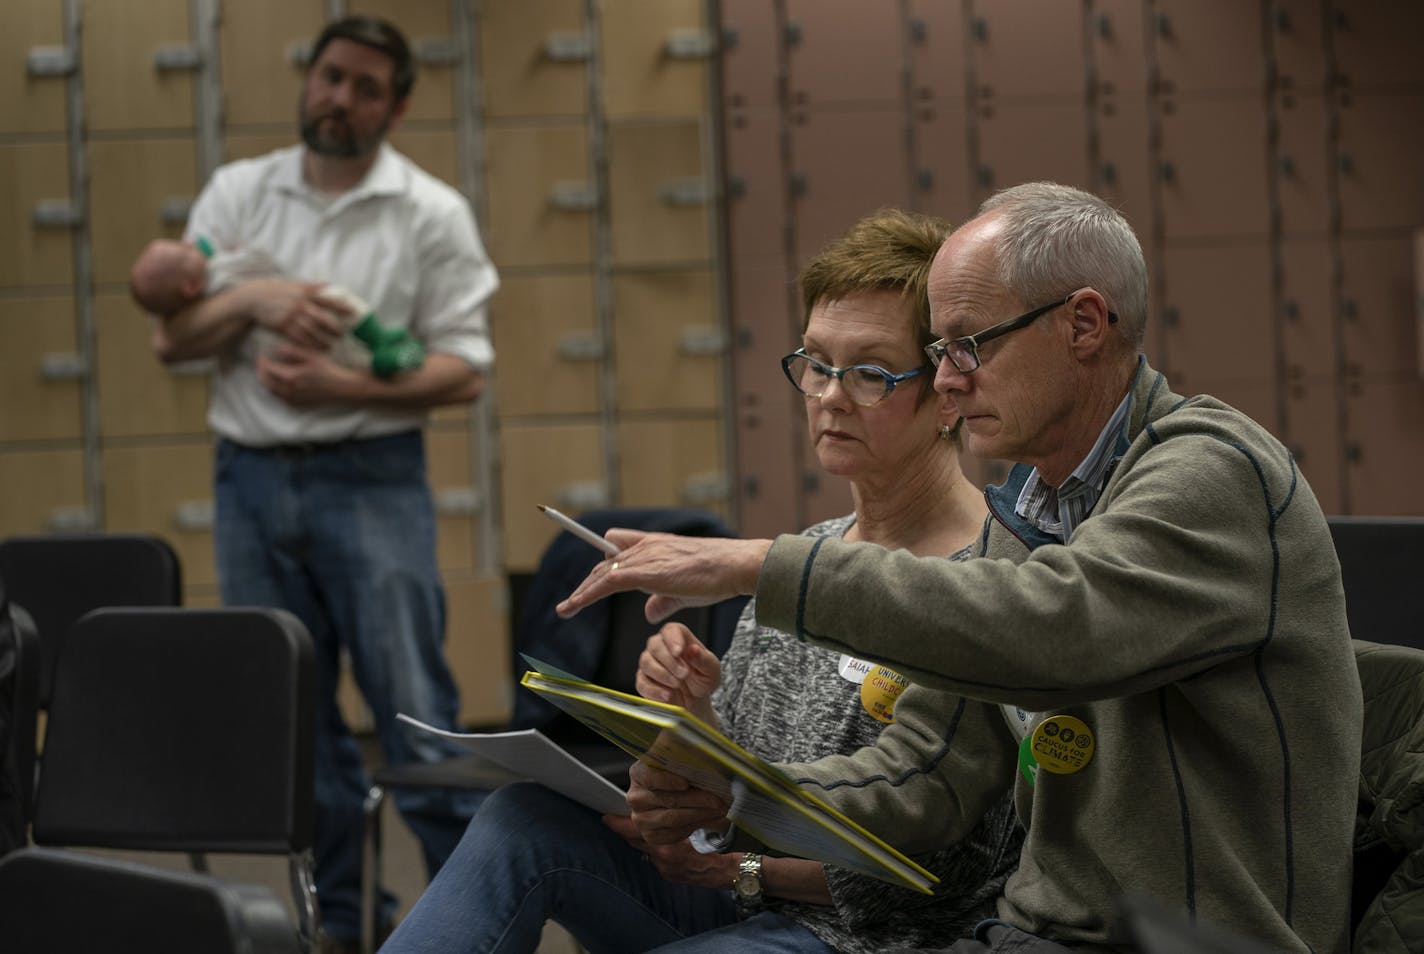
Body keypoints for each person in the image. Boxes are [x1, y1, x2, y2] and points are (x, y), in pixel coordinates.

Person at [556, 182, 1361, 954]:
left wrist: (761, 566)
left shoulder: (1212, 473)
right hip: (1037, 936)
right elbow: (923, 776)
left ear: (1084, 324)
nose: (946, 379)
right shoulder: (1030, 517)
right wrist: (732, 788)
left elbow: (1054, 629)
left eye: (969, 345)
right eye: (941, 351)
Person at [381, 209, 1023, 953]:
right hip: (743, 898)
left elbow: (951, 882)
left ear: (947, 394)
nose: (830, 397)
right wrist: (689, 732)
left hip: (865, 937)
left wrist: (743, 870)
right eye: (817, 364)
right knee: (521, 819)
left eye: (872, 374)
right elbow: (735, 806)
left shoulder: (987, 583)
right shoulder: (802, 557)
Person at [143, 15, 498, 952]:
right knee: (293, 725)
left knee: (413, 715)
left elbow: (464, 369)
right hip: (249, 482)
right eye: (330, 77)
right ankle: (342, 921)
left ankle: (478, 913)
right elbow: (171, 338)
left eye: (365, 87)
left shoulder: (430, 212)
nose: (340, 98)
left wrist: (338, 383)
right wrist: (258, 300)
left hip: (372, 480)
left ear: (398, 105)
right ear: (310, 78)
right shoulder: (239, 192)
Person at [131, 236, 425, 379]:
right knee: (338, 302)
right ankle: (388, 346)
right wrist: (250, 295)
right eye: (185, 249)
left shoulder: (198, 305)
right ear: (190, 287)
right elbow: (262, 262)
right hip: (299, 334)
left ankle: (385, 357)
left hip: (277, 356)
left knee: (345, 357)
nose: (192, 243)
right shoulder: (220, 272)